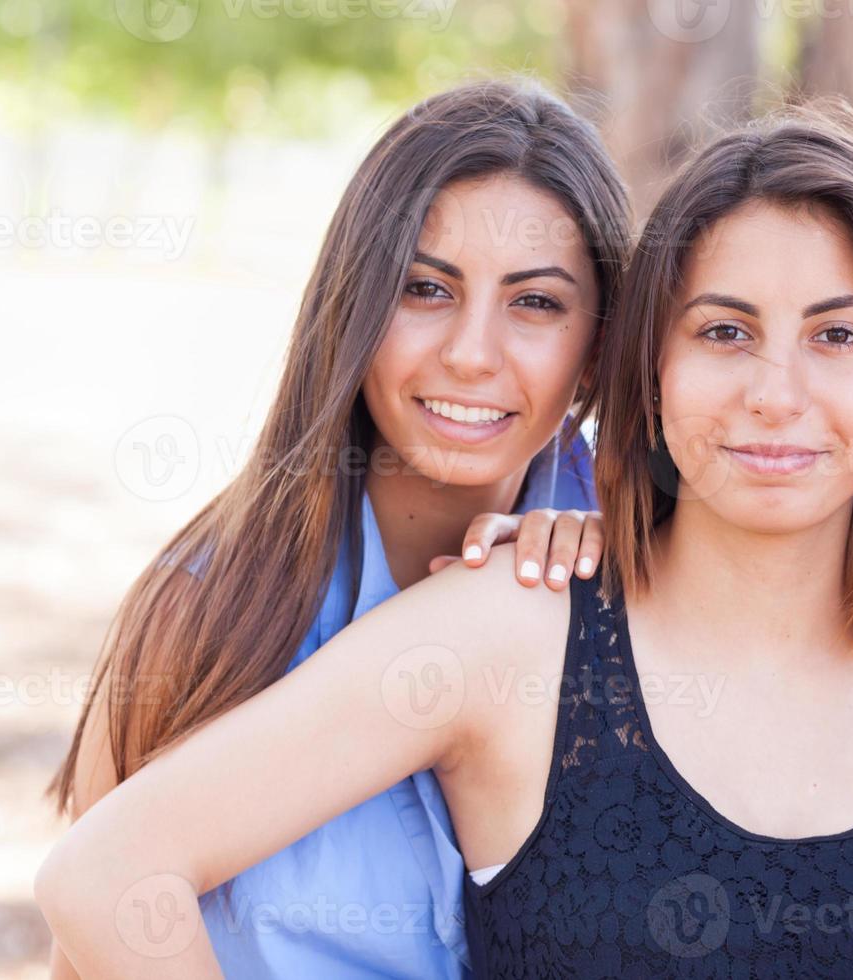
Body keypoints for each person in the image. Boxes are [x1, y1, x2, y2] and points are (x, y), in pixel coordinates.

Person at [36, 101, 853, 979]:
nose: (774, 392)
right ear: (649, 372)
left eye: (839, 334)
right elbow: (104, 876)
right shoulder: (491, 615)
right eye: (723, 331)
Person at [44, 78, 631, 979]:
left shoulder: (649, 570)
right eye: (426, 288)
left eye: (536, 303)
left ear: (599, 342)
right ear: (352, 306)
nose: (472, 353)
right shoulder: (208, 607)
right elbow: (89, 943)